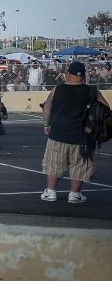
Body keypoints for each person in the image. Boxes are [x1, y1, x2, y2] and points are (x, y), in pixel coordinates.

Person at [41, 61, 109, 203]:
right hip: (82, 136)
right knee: (79, 166)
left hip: (58, 134)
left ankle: (51, 192)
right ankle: (75, 194)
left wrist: (47, 125)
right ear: (83, 76)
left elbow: (47, 107)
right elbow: (105, 108)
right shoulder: (92, 91)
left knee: (54, 164)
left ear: (68, 74)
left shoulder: (57, 89)